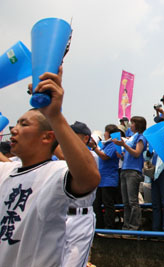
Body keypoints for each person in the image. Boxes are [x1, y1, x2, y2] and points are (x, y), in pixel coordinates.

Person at [0, 68, 100, 266]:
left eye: (24, 124)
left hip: (80, 219)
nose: (15, 130)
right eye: (16, 124)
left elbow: (88, 177)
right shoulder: (6, 170)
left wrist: (54, 115)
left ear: (47, 136)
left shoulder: (55, 173)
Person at [62, 121, 98, 267]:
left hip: (81, 217)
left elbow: (73, 162)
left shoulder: (91, 156)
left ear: (85, 138)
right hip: (61, 215)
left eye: (73, 135)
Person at [112, 116, 147, 232]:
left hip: (133, 171)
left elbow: (137, 153)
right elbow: (128, 153)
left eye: (132, 123)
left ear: (138, 125)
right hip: (125, 170)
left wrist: (124, 145)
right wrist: (120, 154)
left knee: (133, 201)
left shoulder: (141, 137)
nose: (130, 125)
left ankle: (134, 226)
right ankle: (126, 226)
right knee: (126, 202)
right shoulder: (132, 137)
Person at [92, 124, 120, 230]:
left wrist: (94, 147)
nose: (104, 134)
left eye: (106, 131)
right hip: (101, 179)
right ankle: (99, 226)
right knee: (96, 204)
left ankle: (109, 227)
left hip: (109, 179)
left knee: (108, 204)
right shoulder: (105, 145)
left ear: (109, 133)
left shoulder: (113, 145)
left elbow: (105, 156)